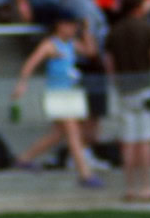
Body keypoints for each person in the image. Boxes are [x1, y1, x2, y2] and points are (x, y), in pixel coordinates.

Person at [13, 10, 101, 187]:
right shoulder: (50, 45)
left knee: (58, 134)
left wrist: (86, 31)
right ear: (60, 25)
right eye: (70, 25)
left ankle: (24, 158)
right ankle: (85, 174)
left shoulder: (71, 44)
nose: (73, 29)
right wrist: (22, 84)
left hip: (70, 92)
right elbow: (30, 63)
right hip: (58, 95)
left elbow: (90, 52)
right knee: (73, 132)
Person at [104, 0, 150, 201]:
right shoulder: (146, 29)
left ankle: (130, 187)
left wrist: (115, 84)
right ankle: (146, 185)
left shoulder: (114, 31)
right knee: (145, 139)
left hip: (124, 90)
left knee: (128, 140)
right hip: (144, 88)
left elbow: (109, 64)